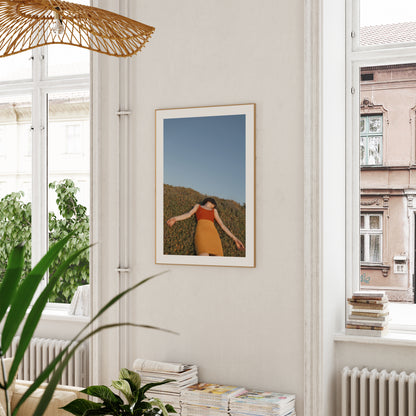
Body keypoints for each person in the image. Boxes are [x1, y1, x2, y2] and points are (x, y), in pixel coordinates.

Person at [167, 197, 245, 256]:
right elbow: (189, 214)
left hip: (213, 235)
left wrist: (235, 239)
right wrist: (175, 218)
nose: (212, 205)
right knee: (203, 256)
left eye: (213, 205)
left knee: (219, 261)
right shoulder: (198, 206)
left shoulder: (214, 211)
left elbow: (222, 225)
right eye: (212, 203)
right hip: (201, 233)